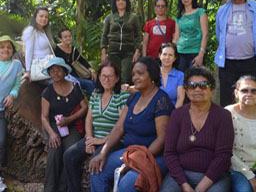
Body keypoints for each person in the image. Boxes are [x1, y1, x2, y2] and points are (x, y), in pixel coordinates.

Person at [89, 57, 174, 192]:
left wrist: (138, 160)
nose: (135, 77)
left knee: (128, 183)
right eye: (133, 74)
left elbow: (162, 139)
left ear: (151, 75)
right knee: (97, 169)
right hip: (130, 152)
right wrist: (103, 153)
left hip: (153, 155)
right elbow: (119, 127)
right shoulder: (133, 98)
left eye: (140, 73)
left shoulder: (161, 100)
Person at [160, 66, 234, 192]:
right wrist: (184, 184)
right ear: (186, 91)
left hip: (214, 177)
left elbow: (223, 156)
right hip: (181, 175)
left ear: (212, 90)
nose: (198, 89)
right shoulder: (177, 115)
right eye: (192, 85)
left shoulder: (223, 116)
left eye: (204, 85)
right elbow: (169, 153)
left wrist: (200, 188)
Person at [63, 61, 129, 192]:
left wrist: (102, 141)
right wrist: (89, 139)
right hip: (94, 138)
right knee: (69, 155)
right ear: (98, 77)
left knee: (95, 161)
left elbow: (122, 125)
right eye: (103, 76)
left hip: (113, 141)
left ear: (117, 78)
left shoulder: (122, 95)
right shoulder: (95, 94)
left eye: (110, 76)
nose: (106, 79)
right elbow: (88, 119)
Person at [215, 0, 256, 107]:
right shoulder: (223, 10)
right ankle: (228, 125)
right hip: (227, 62)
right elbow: (219, 32)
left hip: (250, 60)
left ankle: (255, 124)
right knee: (227, 97)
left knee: (253, 95)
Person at [41, 57, 88, 192]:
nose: (55, 73)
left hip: (72, 125)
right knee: (55, 149)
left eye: (58, 70)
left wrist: (70, 119)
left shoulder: (74, 87)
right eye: (52, 71)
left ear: (65, 71)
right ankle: (49, 188)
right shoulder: (48, 92)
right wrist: (51, 133)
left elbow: (84, 107)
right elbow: (43, 117)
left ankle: (62, 188)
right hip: (52, 125)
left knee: (70, 153)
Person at [225, 75, 256, 192]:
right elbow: (226, 151)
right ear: (236, 93)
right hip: (237, 170)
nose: (249, 94)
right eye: (244, 90)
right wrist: (250, 177)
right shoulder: (227, 114)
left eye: (253, 91)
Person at [101, 0, 142, 84]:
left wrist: (137, 52)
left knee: (125, 77)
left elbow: (138, 35)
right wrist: (103, 53)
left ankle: (126, 97)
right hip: (113, 51)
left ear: (126, 2)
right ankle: (115, 97)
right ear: (115, 3)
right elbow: (104, 36)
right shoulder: (110, 18)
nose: (120, 2)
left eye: (123, 0)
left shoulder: (133, 17)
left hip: (128, 52)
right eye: (118, 0)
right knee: (113, 76)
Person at [0, 35, 22, 191]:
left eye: (8, 47)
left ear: (12, 50)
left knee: (1, 142)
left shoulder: (16, 65)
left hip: (1, 110)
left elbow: (16, 85)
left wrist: (12, 95)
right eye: (2, 47)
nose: (5, 49)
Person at [173, 0, 208, 72]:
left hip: (195, 52)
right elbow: (176, 38)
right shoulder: (179, 17)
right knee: (181, 80)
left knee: (194, 80)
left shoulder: (200, 12)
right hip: (180, 52)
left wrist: (201, 55)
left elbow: (205, 34)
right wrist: (172, 54)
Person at [54, 28, 96, 95]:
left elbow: (82, 60)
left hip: (77, 73)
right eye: (65, 37)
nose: (68, 38)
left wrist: (91, 70)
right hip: (67, 76)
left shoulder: (73, 49)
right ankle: (95, 103)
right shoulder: (56, 50)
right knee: (89, 84)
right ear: (60, 39)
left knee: (95, 81)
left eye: (69, 36)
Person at [22, 6, 54, 82]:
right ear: (35, 17)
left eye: (46, 17)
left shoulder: (44, 31)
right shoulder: (30, 30)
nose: (44, 19)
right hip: (40, 67)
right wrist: (28, 71)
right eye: (41, 16)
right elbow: (29, 51)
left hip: (49, 64)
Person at [159, 43, 185, 108]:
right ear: (160, 56)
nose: (167, 57)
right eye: (164, 54)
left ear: (174, 58)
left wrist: (174, 116)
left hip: (172, 112)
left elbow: (180, 99)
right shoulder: (153, 73)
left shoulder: (180, 76)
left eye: (170, 55)